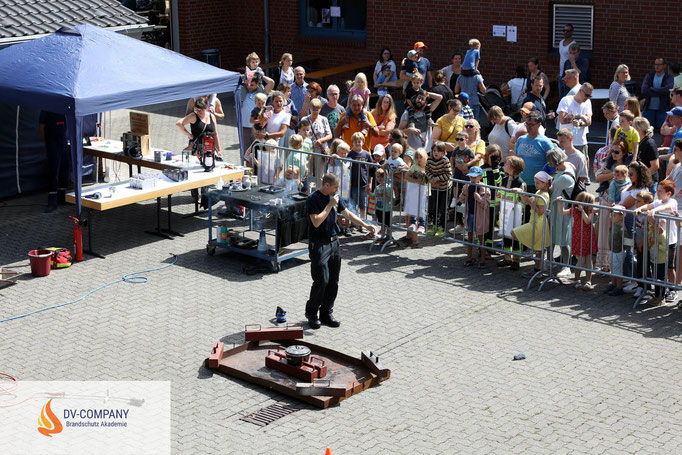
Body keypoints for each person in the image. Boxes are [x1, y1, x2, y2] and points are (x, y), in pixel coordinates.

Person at [305, 173, 375, 329]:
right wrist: (330, 205)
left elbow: (347, 214)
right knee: (321, 280)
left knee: (333, 281)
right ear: (327, 185)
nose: (338, 189)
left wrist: (365, 225)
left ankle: (326, 313)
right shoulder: (313, 199)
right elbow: (316, 222)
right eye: (336, 186)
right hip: (319, 244)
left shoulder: (335, 197)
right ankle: (311, 313)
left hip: (334, 242)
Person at [634, 179, 678, 302]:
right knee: (657, 266)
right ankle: (659, 293)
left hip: (669, 240)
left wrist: (653, 211)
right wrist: (640, 209)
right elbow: (649, 205)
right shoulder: (658, 201)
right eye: (657, 190)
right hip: (656, 240)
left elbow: (666, 206)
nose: (657, 193)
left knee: (669, 266)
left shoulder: (672, 201)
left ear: (668, 193)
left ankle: (672, 290)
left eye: (660, 191)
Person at [512, 171, 552, 277]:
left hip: (538, 223)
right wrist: (522, 193)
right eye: (535, 182)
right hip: (533, 221)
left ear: (545, 183)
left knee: (514, 233)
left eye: (538, 183)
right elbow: (527, 202)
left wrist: (530, 202)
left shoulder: (544, 195)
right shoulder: (539, 192)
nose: (535, 185)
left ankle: (535, 263)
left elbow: (540, 211)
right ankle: (537, 269)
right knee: (538, 249)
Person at [546, 147, 576, 279]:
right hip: (556, 210)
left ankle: (566, 266)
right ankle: (550, 260)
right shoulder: (567, 166)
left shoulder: (565, 177)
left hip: (562, 211)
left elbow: (552, 190)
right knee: (552, 236)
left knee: (564, 239)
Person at [559, 192, 598, 289]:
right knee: (581, 261)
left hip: (588, 237)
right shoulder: (574, 210)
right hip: (578, 237)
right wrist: (560, 203)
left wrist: (583, 212)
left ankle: (588, 281)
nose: (592, 205)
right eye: (591, 202)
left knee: (589, 262)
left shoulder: (591, 211)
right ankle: (577, 279)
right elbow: (562, 212)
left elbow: (587, 221)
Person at [510, 111, 553, 193]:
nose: (528, 127)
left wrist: (546, 182)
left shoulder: (545, 142)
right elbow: (515, 158)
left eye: (532, 125)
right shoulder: (520, 139)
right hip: (520, 183)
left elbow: (553, 164)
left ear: (539, 125)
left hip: (538, 186)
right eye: (527, 124)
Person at [496, 156, 526, 271]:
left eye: (506, 164)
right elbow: (499, 195)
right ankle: (507, 257)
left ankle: (516, 260)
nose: (504, 165)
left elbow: (524, 200)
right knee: (506, 236)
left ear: (512, 168)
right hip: (505, 211)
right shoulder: (503, 180)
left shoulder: (520, 183)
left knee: (516, 237)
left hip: (516, 213)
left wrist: (520, 193)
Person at [459, 166, 490, 268]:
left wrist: (479, 199)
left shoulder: (484, 188)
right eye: (471, 177)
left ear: (480, 177)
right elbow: (461, 200)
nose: (472, 179)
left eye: (474, 177)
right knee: (470, 237)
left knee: (481, 238)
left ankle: (482, 260)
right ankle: (469, 257)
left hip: (480, 217)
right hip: (470, 215)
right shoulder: (467, 186)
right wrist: (464, 193)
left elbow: (486, 204)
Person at [39, 110, 69, 212]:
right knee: (54, 171)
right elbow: (41, 128)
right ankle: (52, 201)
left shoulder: (63, 108)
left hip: (63, 143)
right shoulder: (45, 110)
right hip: (52, 144)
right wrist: (47, 144)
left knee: (64, 168)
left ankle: (62, 197)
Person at [400, 148, 429, 247]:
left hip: (424, 192)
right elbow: (407, 176)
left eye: (421, 157)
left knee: (422, 208)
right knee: (413, 208)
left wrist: (426, 175)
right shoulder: (414, 166)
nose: (419, 159)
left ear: (425, 157)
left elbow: (431, 177)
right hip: (414, 190)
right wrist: (416, 180)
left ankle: (422, 224)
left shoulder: (428, 167)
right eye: (417, 158)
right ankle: (412, 223)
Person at [557, 83, 593, 158]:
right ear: (580, 91)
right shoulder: (566, 100)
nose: (587, 98)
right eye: (586, 95)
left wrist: (580, 123)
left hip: (581, 141)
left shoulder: (587, 102)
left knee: (584, 162)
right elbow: (562, 120)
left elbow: (589, 121)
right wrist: (578, 116)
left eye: (590, 96)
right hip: (566, 141)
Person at [239, 75, 274, 152]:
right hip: (245, 128)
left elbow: (271, 83)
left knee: (258, 153)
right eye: (247, 84)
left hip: (258, 129)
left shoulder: (261, 95)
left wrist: (261, 75)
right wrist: (244, 76)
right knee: (246, 153)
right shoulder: (243, 94)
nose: (249, 87)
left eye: (252, 85)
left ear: (257, 84)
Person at [425, 141, 452, 236]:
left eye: (439, 151)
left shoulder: (445, 160)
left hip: (444, 189)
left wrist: (437, 179)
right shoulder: (429, 160)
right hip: (434, 188)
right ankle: (434, 226)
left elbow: (448, 174)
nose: (436, 153)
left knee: (442, 208)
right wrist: (431, 178)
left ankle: (442, 228)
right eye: (434, 150)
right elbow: (427, 170)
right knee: (433, 208)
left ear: (444, 152)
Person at [641, 57, 674, 129]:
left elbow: (667, 89)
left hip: (663, 108)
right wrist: (660, 91)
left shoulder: (669, 76)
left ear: (664, 66)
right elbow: (644, 90)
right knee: (646, 130)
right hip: (649, 108)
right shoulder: (650, 75)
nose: (656, 66)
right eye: (655, 64)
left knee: (663, 130)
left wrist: (651, 90)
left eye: (659, 64)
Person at [348, 132, 372, 220]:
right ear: (352, 142)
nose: (357, 143)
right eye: (355, 142)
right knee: (353, 205)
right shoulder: (350, 154)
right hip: (353, 184)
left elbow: (371, 170)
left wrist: (370, 183)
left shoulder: (367, 154)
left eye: (359, 141)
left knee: (363, 205)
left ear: (363, 142)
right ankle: (354, 222)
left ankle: (362, 223)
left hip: (363, 184)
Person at [633, 117, 659, 191]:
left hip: (648, 182)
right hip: (639, 181)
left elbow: (655, 166)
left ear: (638, 129)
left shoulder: (649, 143)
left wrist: (642, 178)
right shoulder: (638, 141)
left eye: (633, 127)